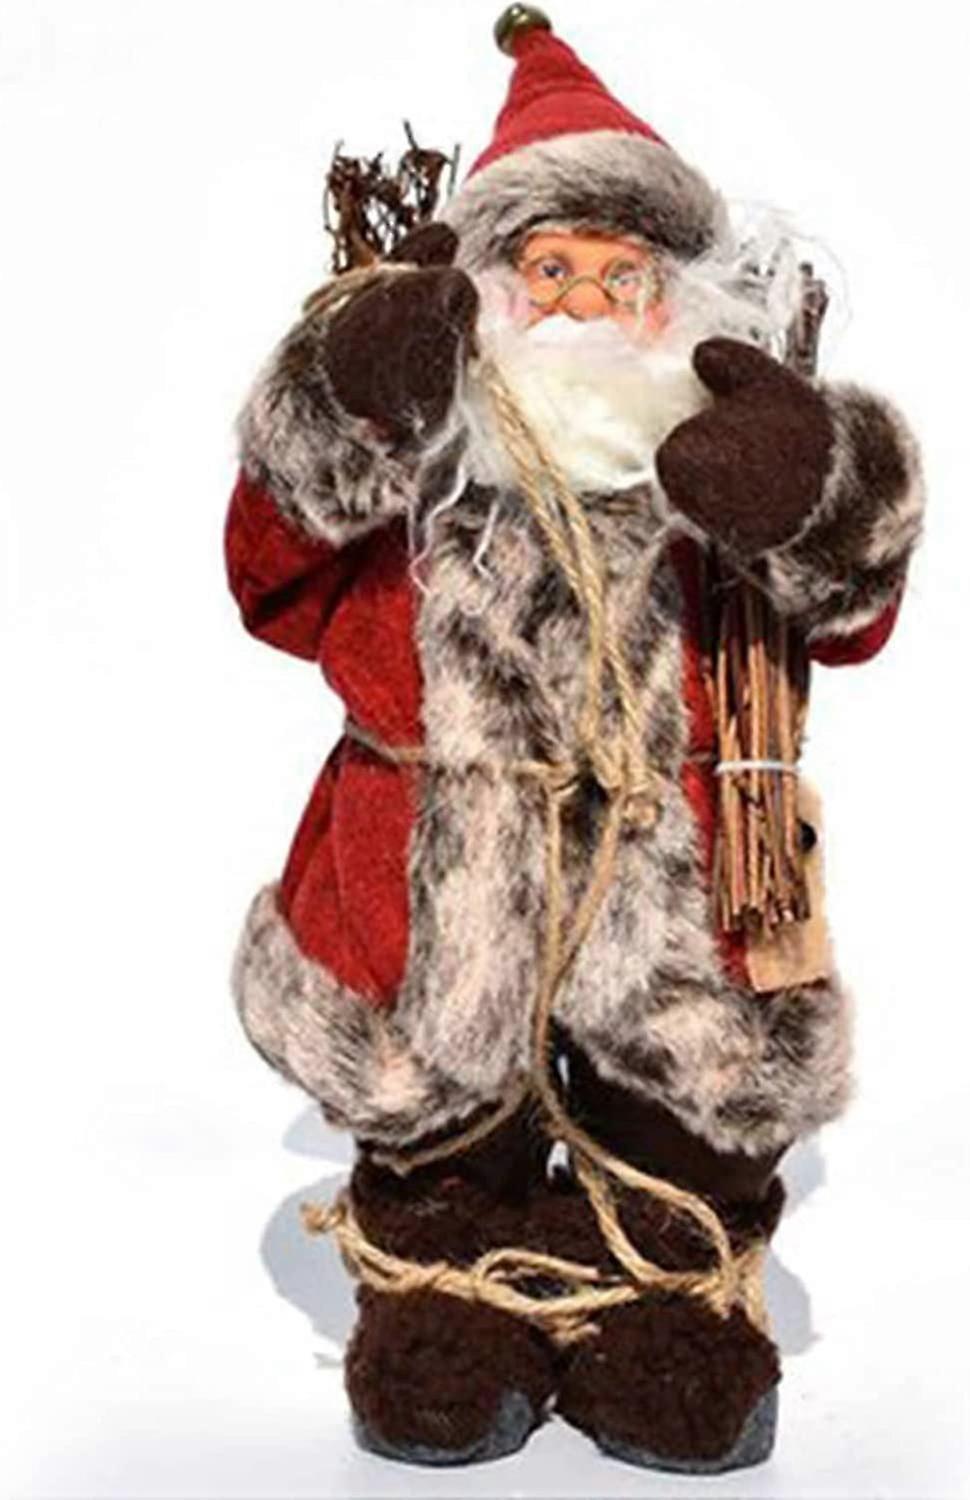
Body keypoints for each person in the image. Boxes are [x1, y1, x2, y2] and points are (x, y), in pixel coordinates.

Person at [224, 5, 925, 1473]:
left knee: (690, 1120)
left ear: (679, 299)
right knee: (437, 1119)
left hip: (680, 878)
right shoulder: (426, 468)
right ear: (489, 288)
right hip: (433, 880)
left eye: (624, 275)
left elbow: (851, 622)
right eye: (550, 270)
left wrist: (808, 492)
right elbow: (269, 589)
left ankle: (670, 1313)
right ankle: (446, 1305)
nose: (585, 304)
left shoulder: (712, 467)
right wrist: (343, 410)